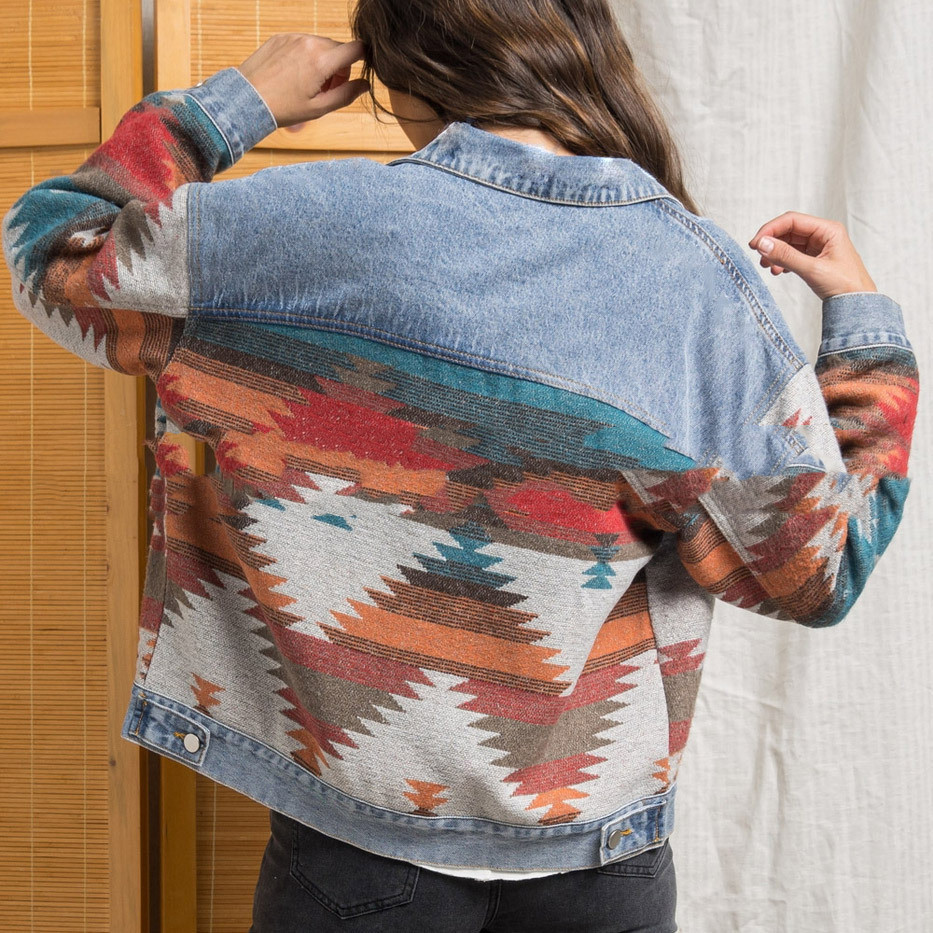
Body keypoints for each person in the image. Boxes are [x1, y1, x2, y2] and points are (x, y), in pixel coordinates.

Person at [1, 2, 917, 931]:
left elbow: (55, 249)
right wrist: (863, 324)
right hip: (601, 866)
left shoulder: (306, 229)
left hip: (352, 855)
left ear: (403, 67)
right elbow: (821, 569)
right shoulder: (696, 283)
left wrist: (236, 102)